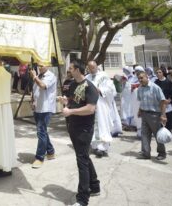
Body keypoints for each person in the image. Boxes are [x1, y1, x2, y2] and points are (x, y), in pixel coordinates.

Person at [60, 61, 100, 206]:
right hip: (73, 125)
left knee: (81, 161)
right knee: (83, 156)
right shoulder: (72, 85)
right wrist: (65, 102)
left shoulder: (90, 87)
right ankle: (95, 185)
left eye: (71, 68)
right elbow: (72, 102)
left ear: (77, 70)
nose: (69, 71)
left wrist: (70, 111)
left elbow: (90, 109)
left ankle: (83, 198)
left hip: (84, 128)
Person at [85, 60, 122, 158]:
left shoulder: (103, 76)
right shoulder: (86, 77)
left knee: (102, 124)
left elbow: (111, 89)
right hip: (90, 104)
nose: (91, 69)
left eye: (93, 67)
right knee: (92, 124)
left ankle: (103, 147)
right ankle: (95, 146)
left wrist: (100, 90)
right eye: (89, 67)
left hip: (101, 104)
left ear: (97, 66)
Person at [135, 69, 168, 160]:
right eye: (139, 79)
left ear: (147, 77)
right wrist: (139, 111)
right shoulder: (140, 89)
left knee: (158, 135)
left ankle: (162, 153)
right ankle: (146, 153)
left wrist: (163, 115)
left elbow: (163, 102)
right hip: (144, 114)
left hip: (155, 115)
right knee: (144, 134)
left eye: (142, 78)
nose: (140, 80)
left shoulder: (155, 87)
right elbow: (142, 101)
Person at [30, 64, 57, 168]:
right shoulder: (39, 76)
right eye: (38, 65)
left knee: (41, 132)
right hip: (38, 107)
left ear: (48, 65)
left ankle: (39, 157)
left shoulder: (51, 76)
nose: (39, 67)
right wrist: (32, 100)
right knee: (43, 132)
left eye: (42, 65)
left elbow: (42, 86)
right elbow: (35, 90)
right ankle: (50, 152)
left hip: (46, 108)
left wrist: (34, 77)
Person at [155, 68, 172, 140]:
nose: (158, 74)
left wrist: (169, 100)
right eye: (157, 72)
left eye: (159, 72)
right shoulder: (156, 83)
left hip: (169, 103)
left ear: (163, 73)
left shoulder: (168, 82)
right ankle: (166, 134)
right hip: (161, 103)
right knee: (163, 119)